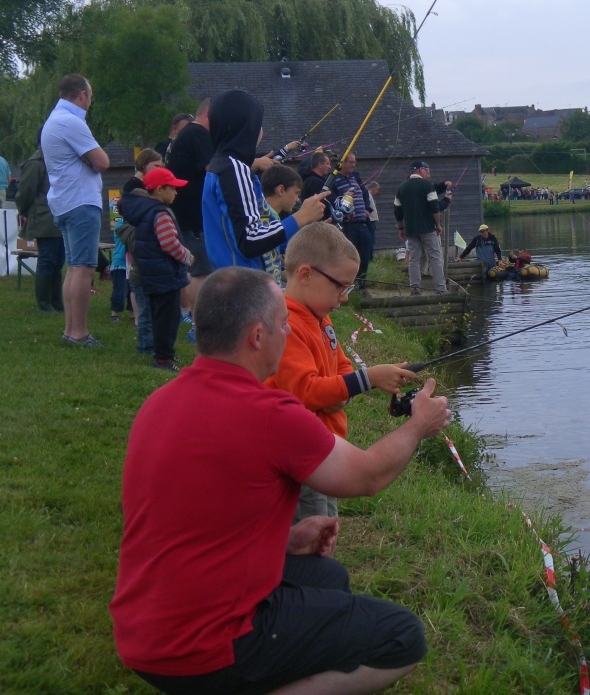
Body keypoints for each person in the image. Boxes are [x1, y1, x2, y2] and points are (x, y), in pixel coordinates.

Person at [110, 265, 451, 693]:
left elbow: (188, 516)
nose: (288, 334)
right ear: (257, 337)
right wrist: (418, 425)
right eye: (284, 325)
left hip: (142, 629)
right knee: (402, 637)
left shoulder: (159, 402)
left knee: (328, 579)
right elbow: (368, 476)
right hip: (202, 647)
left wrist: (282, 541)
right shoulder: (270, 414)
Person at [265, 222, 418, 524]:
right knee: (309, 530)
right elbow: (307, 391)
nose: (345, 297)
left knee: (327, 522)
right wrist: (369, 379)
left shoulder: (321, 317)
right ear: (306, 275)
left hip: (324, 448)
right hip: (300, 453)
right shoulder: (288, 326)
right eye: (340, 286)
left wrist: (342, 390)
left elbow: (342, 366)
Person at [202, 89, 328, 271]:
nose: (261, 130)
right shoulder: (234, 170)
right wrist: (301, 216)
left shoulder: (219, 166)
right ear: (246, 126)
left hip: (231, 278)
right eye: (258, 123)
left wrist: (303, 235)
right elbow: (250, 240)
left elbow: (254, 237)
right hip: (245, 284)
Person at [40, 73, 110, 347]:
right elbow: (102, 162)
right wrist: (89, 158)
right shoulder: (71, 122)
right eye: (90, 97)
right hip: (80, 201)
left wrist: (86, 158)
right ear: (81, 94)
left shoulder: (53, 121)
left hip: (63, 201)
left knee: (73, 268)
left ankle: (70, 330)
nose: (91, 102)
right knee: (83, 268)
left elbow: (90, 160)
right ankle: (79, 333)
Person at [119, 167, 192, 371]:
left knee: (161, 316)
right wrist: (186, 256)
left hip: (154, 275)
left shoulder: (144, 212)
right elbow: (169, 243)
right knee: (167, 319)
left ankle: (166, 354)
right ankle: (162, 359)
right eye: (173, 188)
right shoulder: (159, 213)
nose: (176, 193)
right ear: (159, 190)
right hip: (165, 275)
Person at [165, 99, 215, 330]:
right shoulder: (198, 134)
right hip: (193, 215)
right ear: (208, 114)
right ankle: (199, 326)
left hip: (183, 212)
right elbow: (213, 168)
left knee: (195, 268)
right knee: (200, 270)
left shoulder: (186, 136)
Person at [15, 143, 64, 312]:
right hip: (44, 216)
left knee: (58, 262)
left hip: (59, 214)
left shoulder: (55, 158)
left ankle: (56, 302)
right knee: (47, 261)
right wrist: (23, 210)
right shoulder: (36, 162)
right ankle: (45, 305)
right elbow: (25, 191)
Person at [394, 160, 446, 295]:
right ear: (420, 170)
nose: (428, 173)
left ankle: (415, 288)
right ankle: (440, 288)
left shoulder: (401, 187)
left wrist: (401, 228)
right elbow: (435, 207)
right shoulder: (428, 186)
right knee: (435, 257)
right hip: (428, 227)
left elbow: (397, 211)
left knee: (413, 259)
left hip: (410, 229)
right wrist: (438, 225)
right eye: (427, 170)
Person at [258, 163, 303, 286]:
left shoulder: (272, 216)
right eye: (296, 193)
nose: (297, 199)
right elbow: (275, 243)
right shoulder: (264, 218)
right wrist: (304, 217)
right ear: (281, 190)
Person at [332, 153, 373, 287]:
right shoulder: (334, 179)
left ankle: (362, 285)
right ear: (342, 163)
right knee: (350, 255)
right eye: (350, 162)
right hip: (347, 224)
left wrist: (367, 209)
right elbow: (332, 200)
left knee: (365, 255)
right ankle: (348, 284)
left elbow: (365, 193)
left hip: (362, 222)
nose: (353, 164)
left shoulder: (356, 177)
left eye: (354, 162)